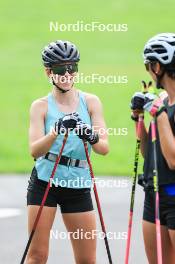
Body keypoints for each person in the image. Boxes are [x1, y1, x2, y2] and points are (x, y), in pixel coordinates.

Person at [27, 40, 109, 264]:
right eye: (61, 70)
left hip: (77, 185)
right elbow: (34, 150)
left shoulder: (91, 102)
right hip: (45, 182)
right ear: (48, 71)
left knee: (87, 260)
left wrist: (90, 135)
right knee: (37, 256)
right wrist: (55, 131)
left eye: (72, 68)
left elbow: (103, 148)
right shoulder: (40, 106)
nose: (67, 75)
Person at [130, 33, 175, 264]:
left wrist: (159, 115)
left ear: (157, 66)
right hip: (154, 196)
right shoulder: (164, 101)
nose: (148, 71)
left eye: (148, 65)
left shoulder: (163, 109)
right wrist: (138, 118)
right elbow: (150, 154)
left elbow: (173, 160)